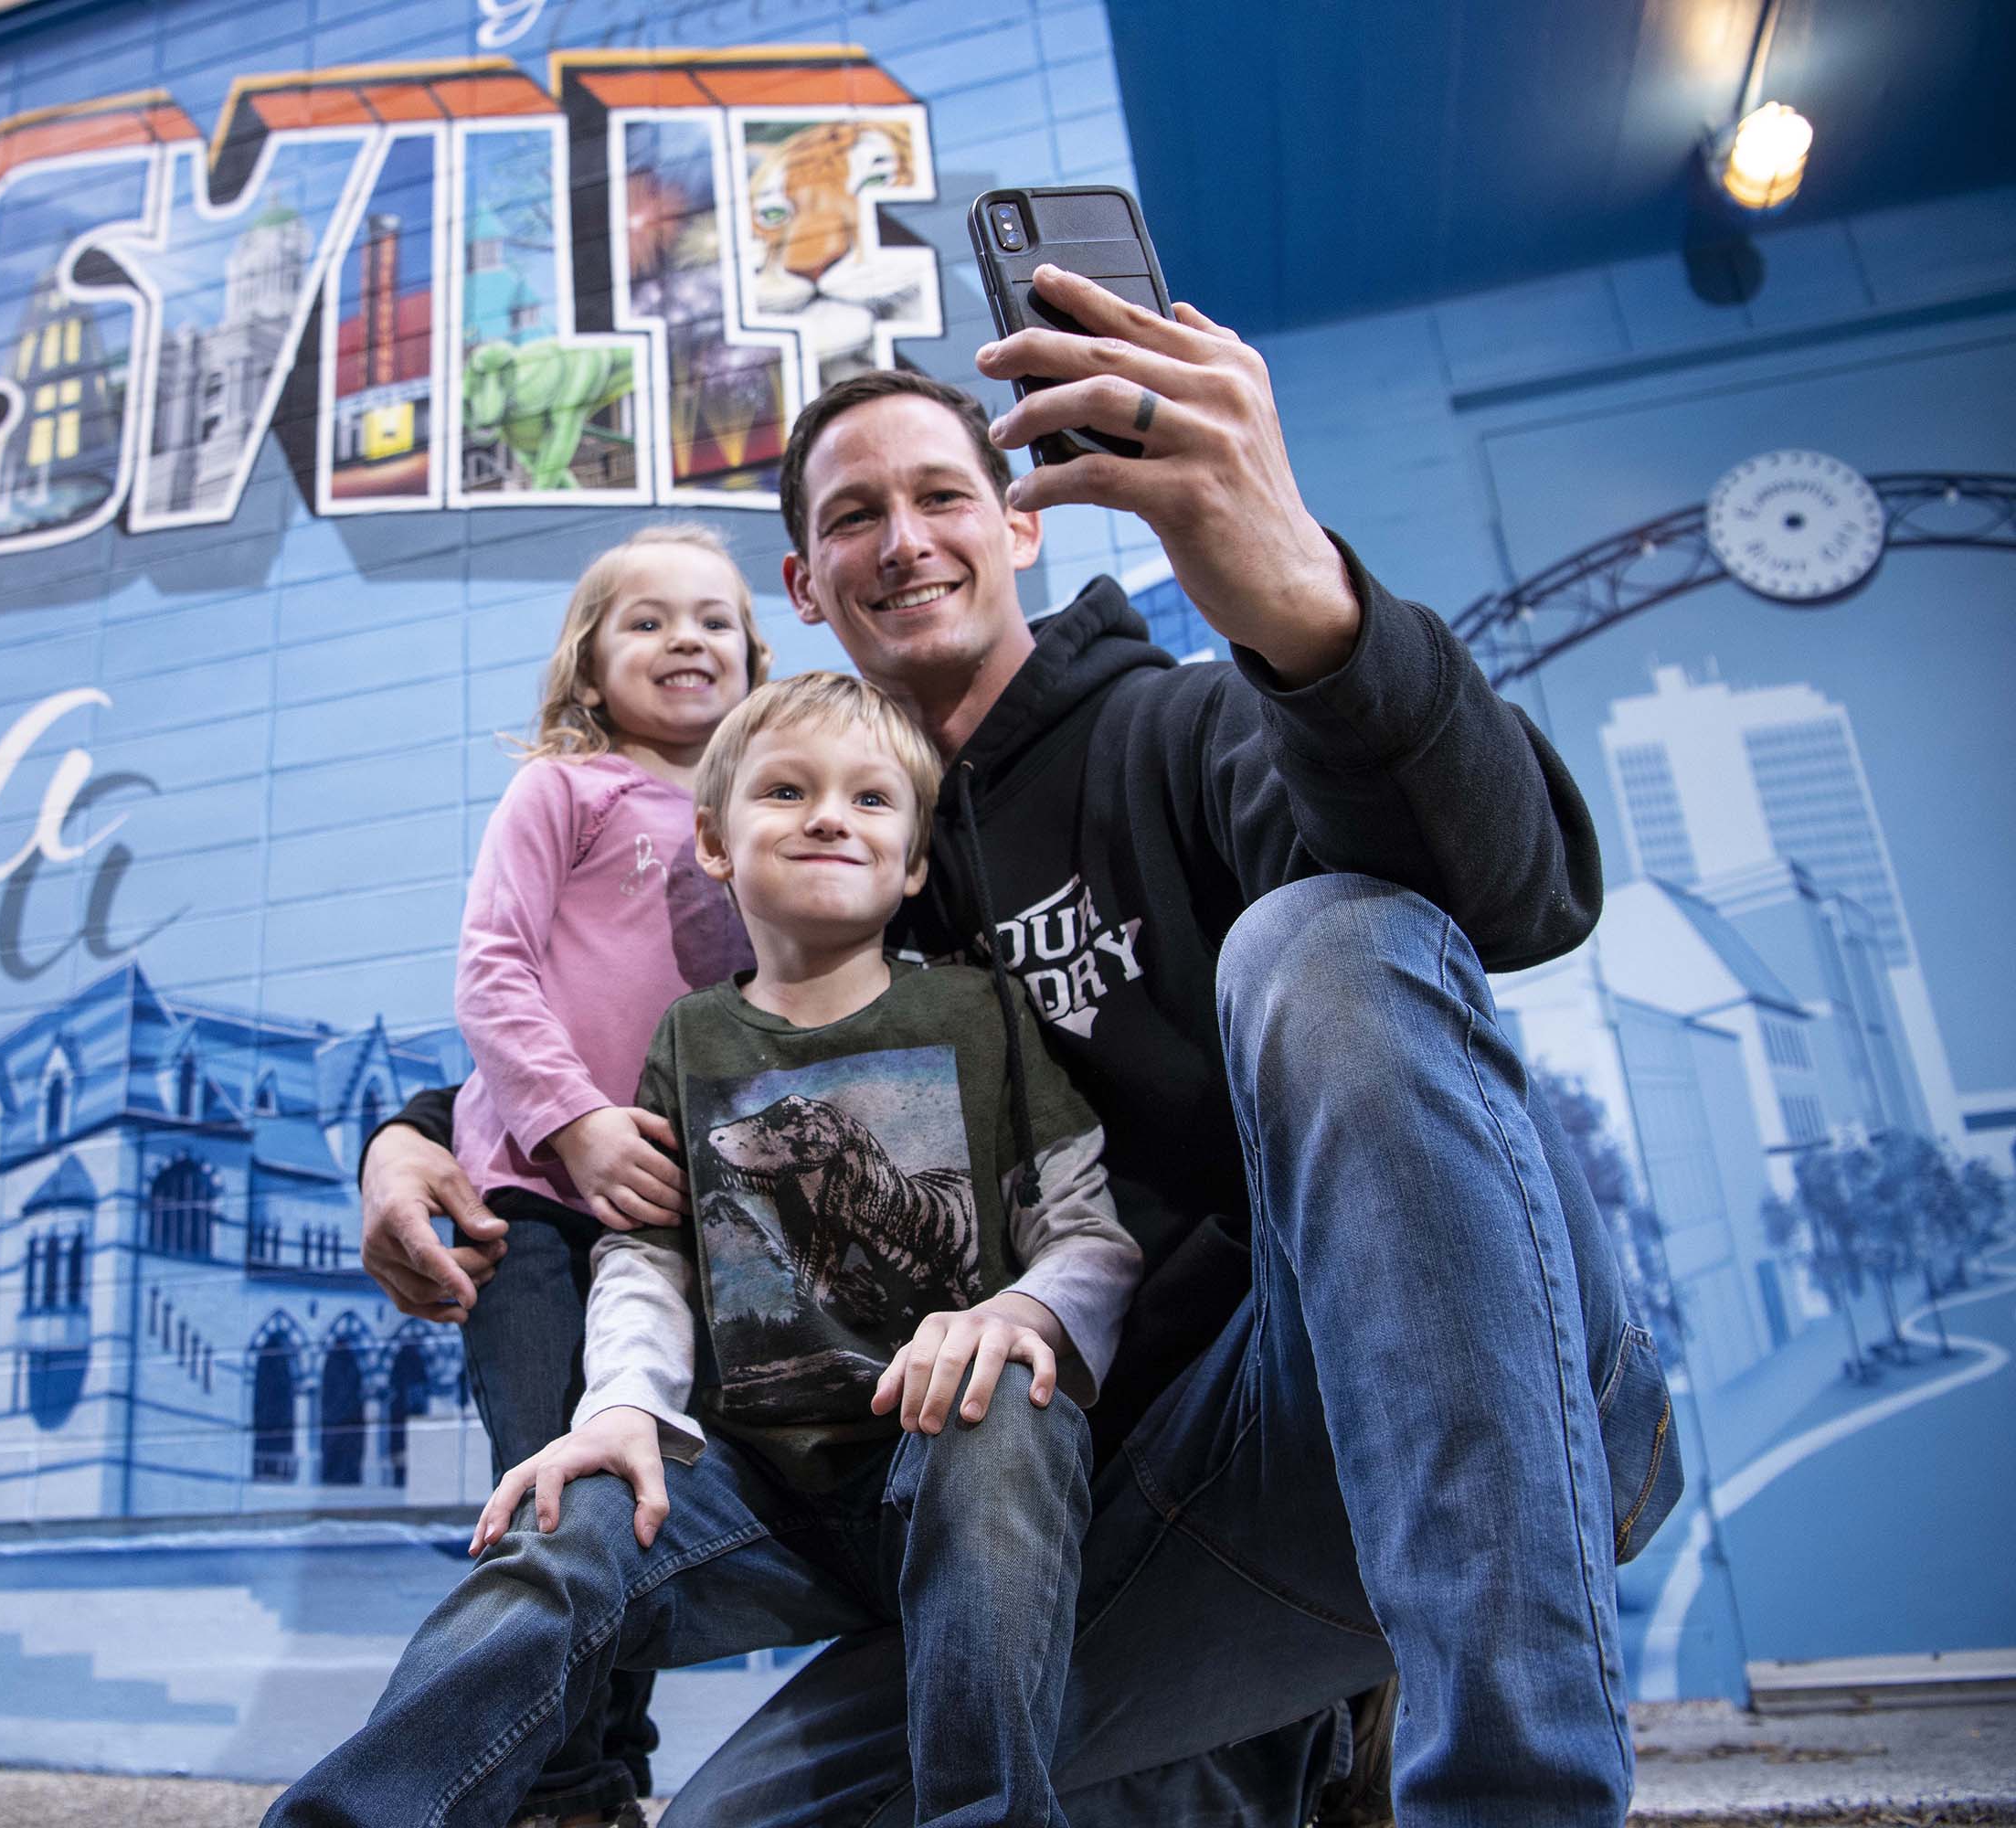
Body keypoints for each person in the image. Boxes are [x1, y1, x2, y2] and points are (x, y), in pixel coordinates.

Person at [361, 266, 1682, 1824]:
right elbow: (670, 1038)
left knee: (1323, 940)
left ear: (1022, 525)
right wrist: (423, 1123)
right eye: (855, 516)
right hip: (1148, 1512)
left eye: (940, 493)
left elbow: (1512, 897)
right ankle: (1295, 1733)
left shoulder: (1177, 731)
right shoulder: (846, 870)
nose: (904, 537)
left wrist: (1309, 607)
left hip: (1380, 1407)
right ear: (806, 586)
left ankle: (1503, 1783)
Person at [271, 673, 1144, 1828]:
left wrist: (1025, 1316)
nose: (831, 815)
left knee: (1007, 1410)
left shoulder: (977, 1013)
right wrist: (621, 1405)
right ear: (715, 843)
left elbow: (1086, 1228)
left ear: (917, 859)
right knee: (567, 1506)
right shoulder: (690, 1034)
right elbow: (649, 1255)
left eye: (873, 798)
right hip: (760, 1494)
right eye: (787, 790)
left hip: (945, 1476)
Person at [442, 520, 769, 1828]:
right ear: (590, 668)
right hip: (534, 1195)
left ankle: (609, 1775)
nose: (686, 638)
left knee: (638, 1499)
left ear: (756, 656)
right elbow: (492, 967)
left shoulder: (762, 823)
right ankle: (556, 1789)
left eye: (714, 619)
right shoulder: (563, 794)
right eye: (649, 621)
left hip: (673, 1226)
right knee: (548, 1481)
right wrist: (573, 1118)